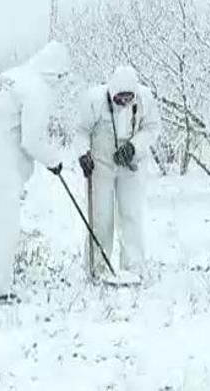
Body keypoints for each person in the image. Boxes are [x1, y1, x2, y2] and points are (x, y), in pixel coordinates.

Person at [0, 41, 70, 305]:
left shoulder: (10, 77)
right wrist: (54, 161)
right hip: (2, 167)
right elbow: (32, 140)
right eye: (62, 78)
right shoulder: (37, 89)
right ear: (56, 73)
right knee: (3, 230)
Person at [76, 65, 160, 278]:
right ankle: (97, 268)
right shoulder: (94, 100)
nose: (123, 102)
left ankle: (133, 267)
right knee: (101, 217)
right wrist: (83, 153)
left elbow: (151, 128)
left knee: (131, 214)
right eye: (119, 98)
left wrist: (134, 146)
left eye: (127, 98)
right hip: (100, 164)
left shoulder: (145, 99)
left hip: (130, 164)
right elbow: (81, 130)